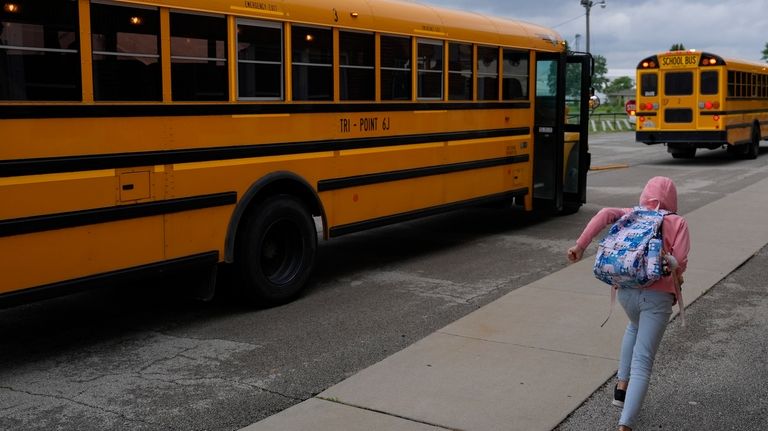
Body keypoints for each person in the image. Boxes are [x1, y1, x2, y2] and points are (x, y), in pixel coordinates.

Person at [566, 176, 690, 431]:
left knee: (633, 327)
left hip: (625, 291)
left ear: (645, 194)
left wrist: (580, 246)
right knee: (643, 362)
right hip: (656, 299)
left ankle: (621, 389)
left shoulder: (631, 213)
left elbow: (604, 213)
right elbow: (679, 262)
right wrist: (676, 271)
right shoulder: (677, 222)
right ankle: (625, 426)